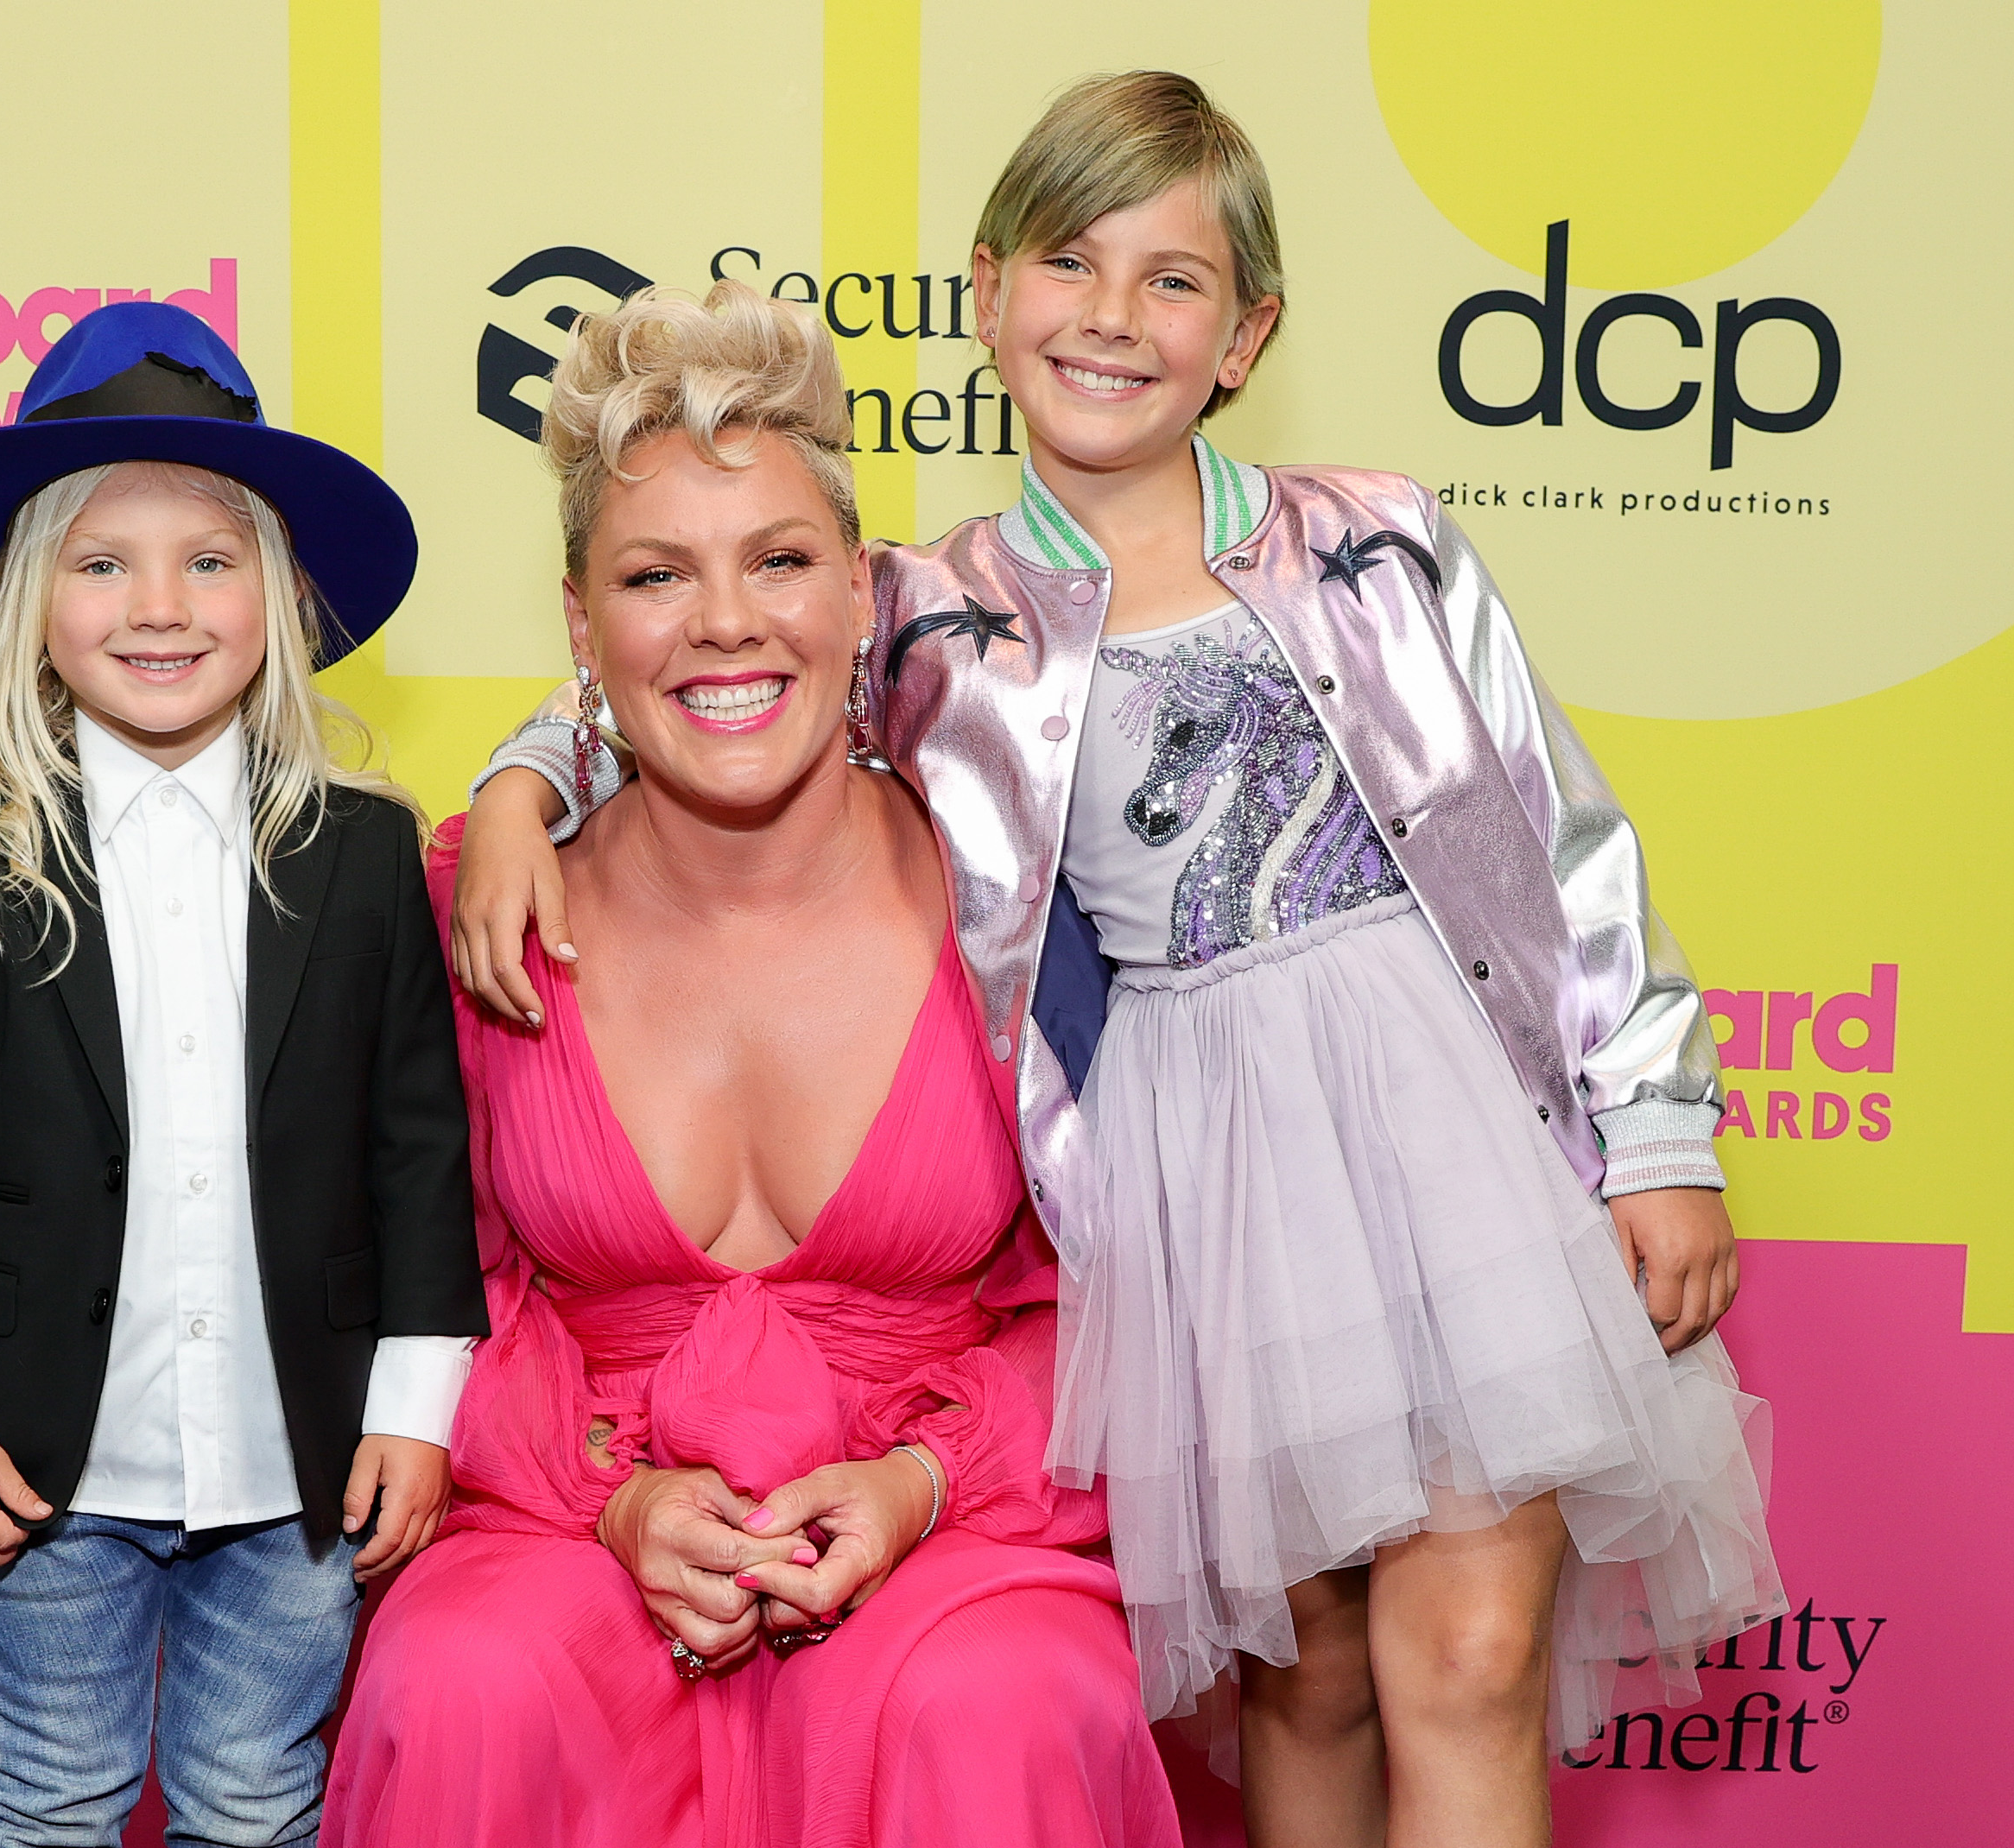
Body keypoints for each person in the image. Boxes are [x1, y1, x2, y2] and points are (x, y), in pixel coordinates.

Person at [450, 73, 1783, 1848]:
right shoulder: (930, 611)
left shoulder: (1372, 534)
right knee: (1306, 1673)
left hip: (1446, 1138)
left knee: (1467, 1654)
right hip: (1202, 1184)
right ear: (986, 291)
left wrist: (1656, 1124)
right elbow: (705, 658)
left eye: (1173, 279)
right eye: (1070, 263)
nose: (1111, 315)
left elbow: (1555, 835)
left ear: (1248, 335)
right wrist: (525, 784)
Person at [322, 284, 1175, 1848]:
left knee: (1005, 1703)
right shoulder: (469, 909)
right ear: (581, 627)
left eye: (778, 561)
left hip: (954, 1523)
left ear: (859, 593)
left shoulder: (1021, 900)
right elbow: (419, 1285)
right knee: (460, 1681)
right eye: (656, 575)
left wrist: (922, 1481)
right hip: (568, 1517)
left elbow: (1127, 1289)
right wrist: (616, 1498)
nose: (724, 622)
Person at [0, 301, 487, 1847]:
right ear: (24, 600)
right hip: (31, 1461)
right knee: (50, 1793)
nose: (160, 607)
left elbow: (416, 1148)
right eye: (102, 563)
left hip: (297, 1455)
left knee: (255, 1798)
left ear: (283, 593)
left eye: (210, 559)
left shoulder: (366, 853)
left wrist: (415, 1405)